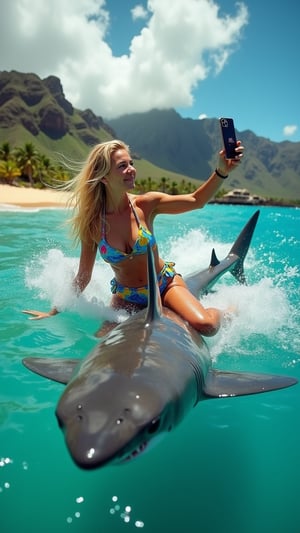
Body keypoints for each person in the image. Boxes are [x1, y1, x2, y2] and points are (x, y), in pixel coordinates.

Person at [23, 139, 243, 336]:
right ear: (104, 177)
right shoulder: (92, 225)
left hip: (163, 285)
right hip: (126, 297)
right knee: (101, 341)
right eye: (122, 166)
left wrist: (222, 171)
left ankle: (228, 311)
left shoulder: (145, 205)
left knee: (206, 325)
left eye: (131, 164)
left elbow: (197, 200)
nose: (131, 170)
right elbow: (83, 276)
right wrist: (54, 311)